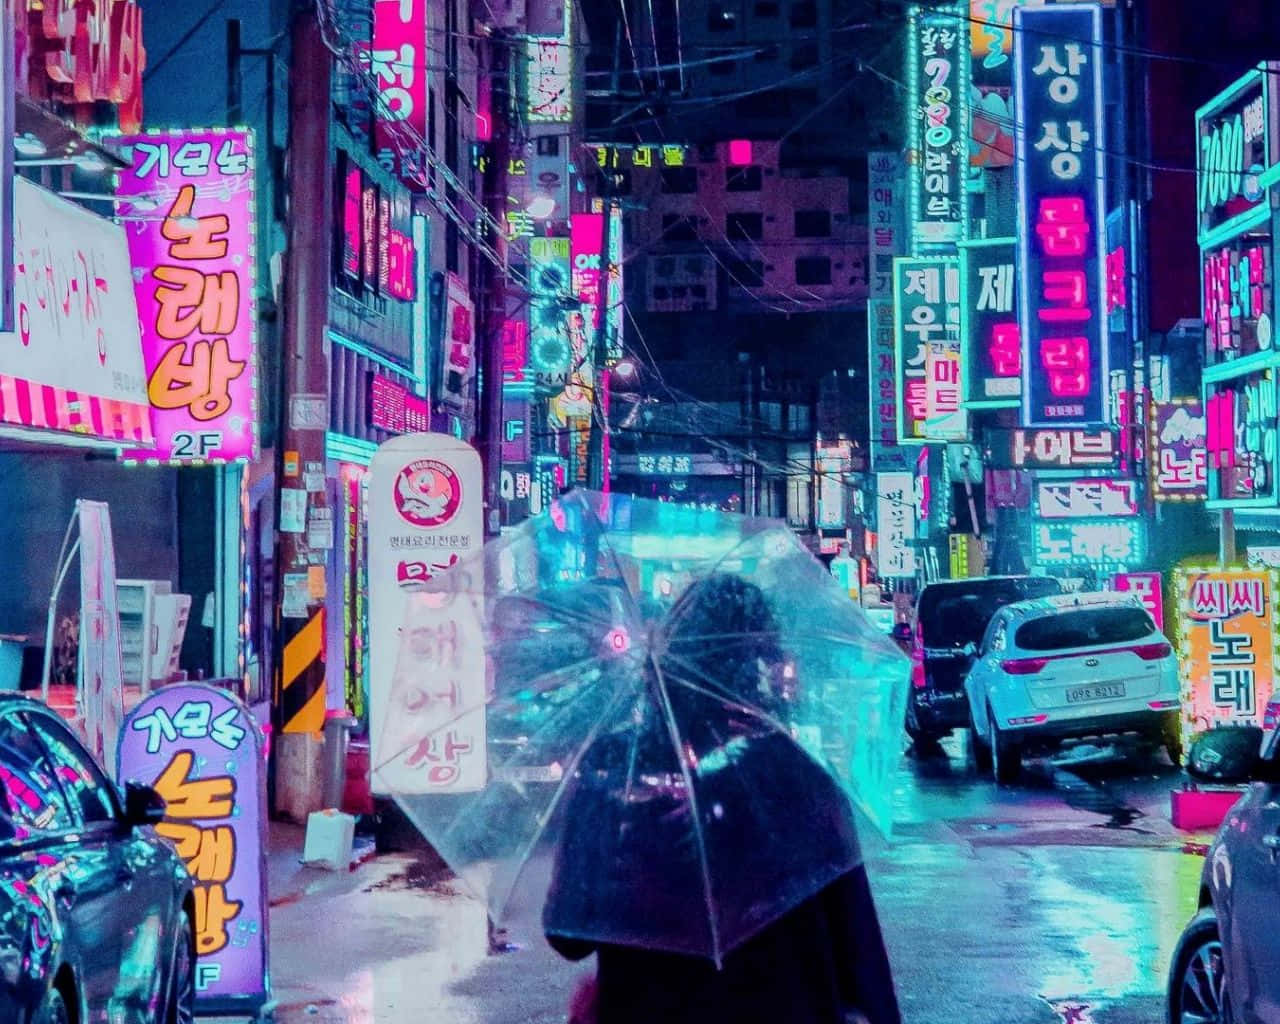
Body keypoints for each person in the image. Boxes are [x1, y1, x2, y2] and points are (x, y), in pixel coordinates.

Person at [543, 573, 901, 1024]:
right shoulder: (797, 776)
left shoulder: (617, 766)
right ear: (758, 664)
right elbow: (857, 945)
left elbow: (566, 933)